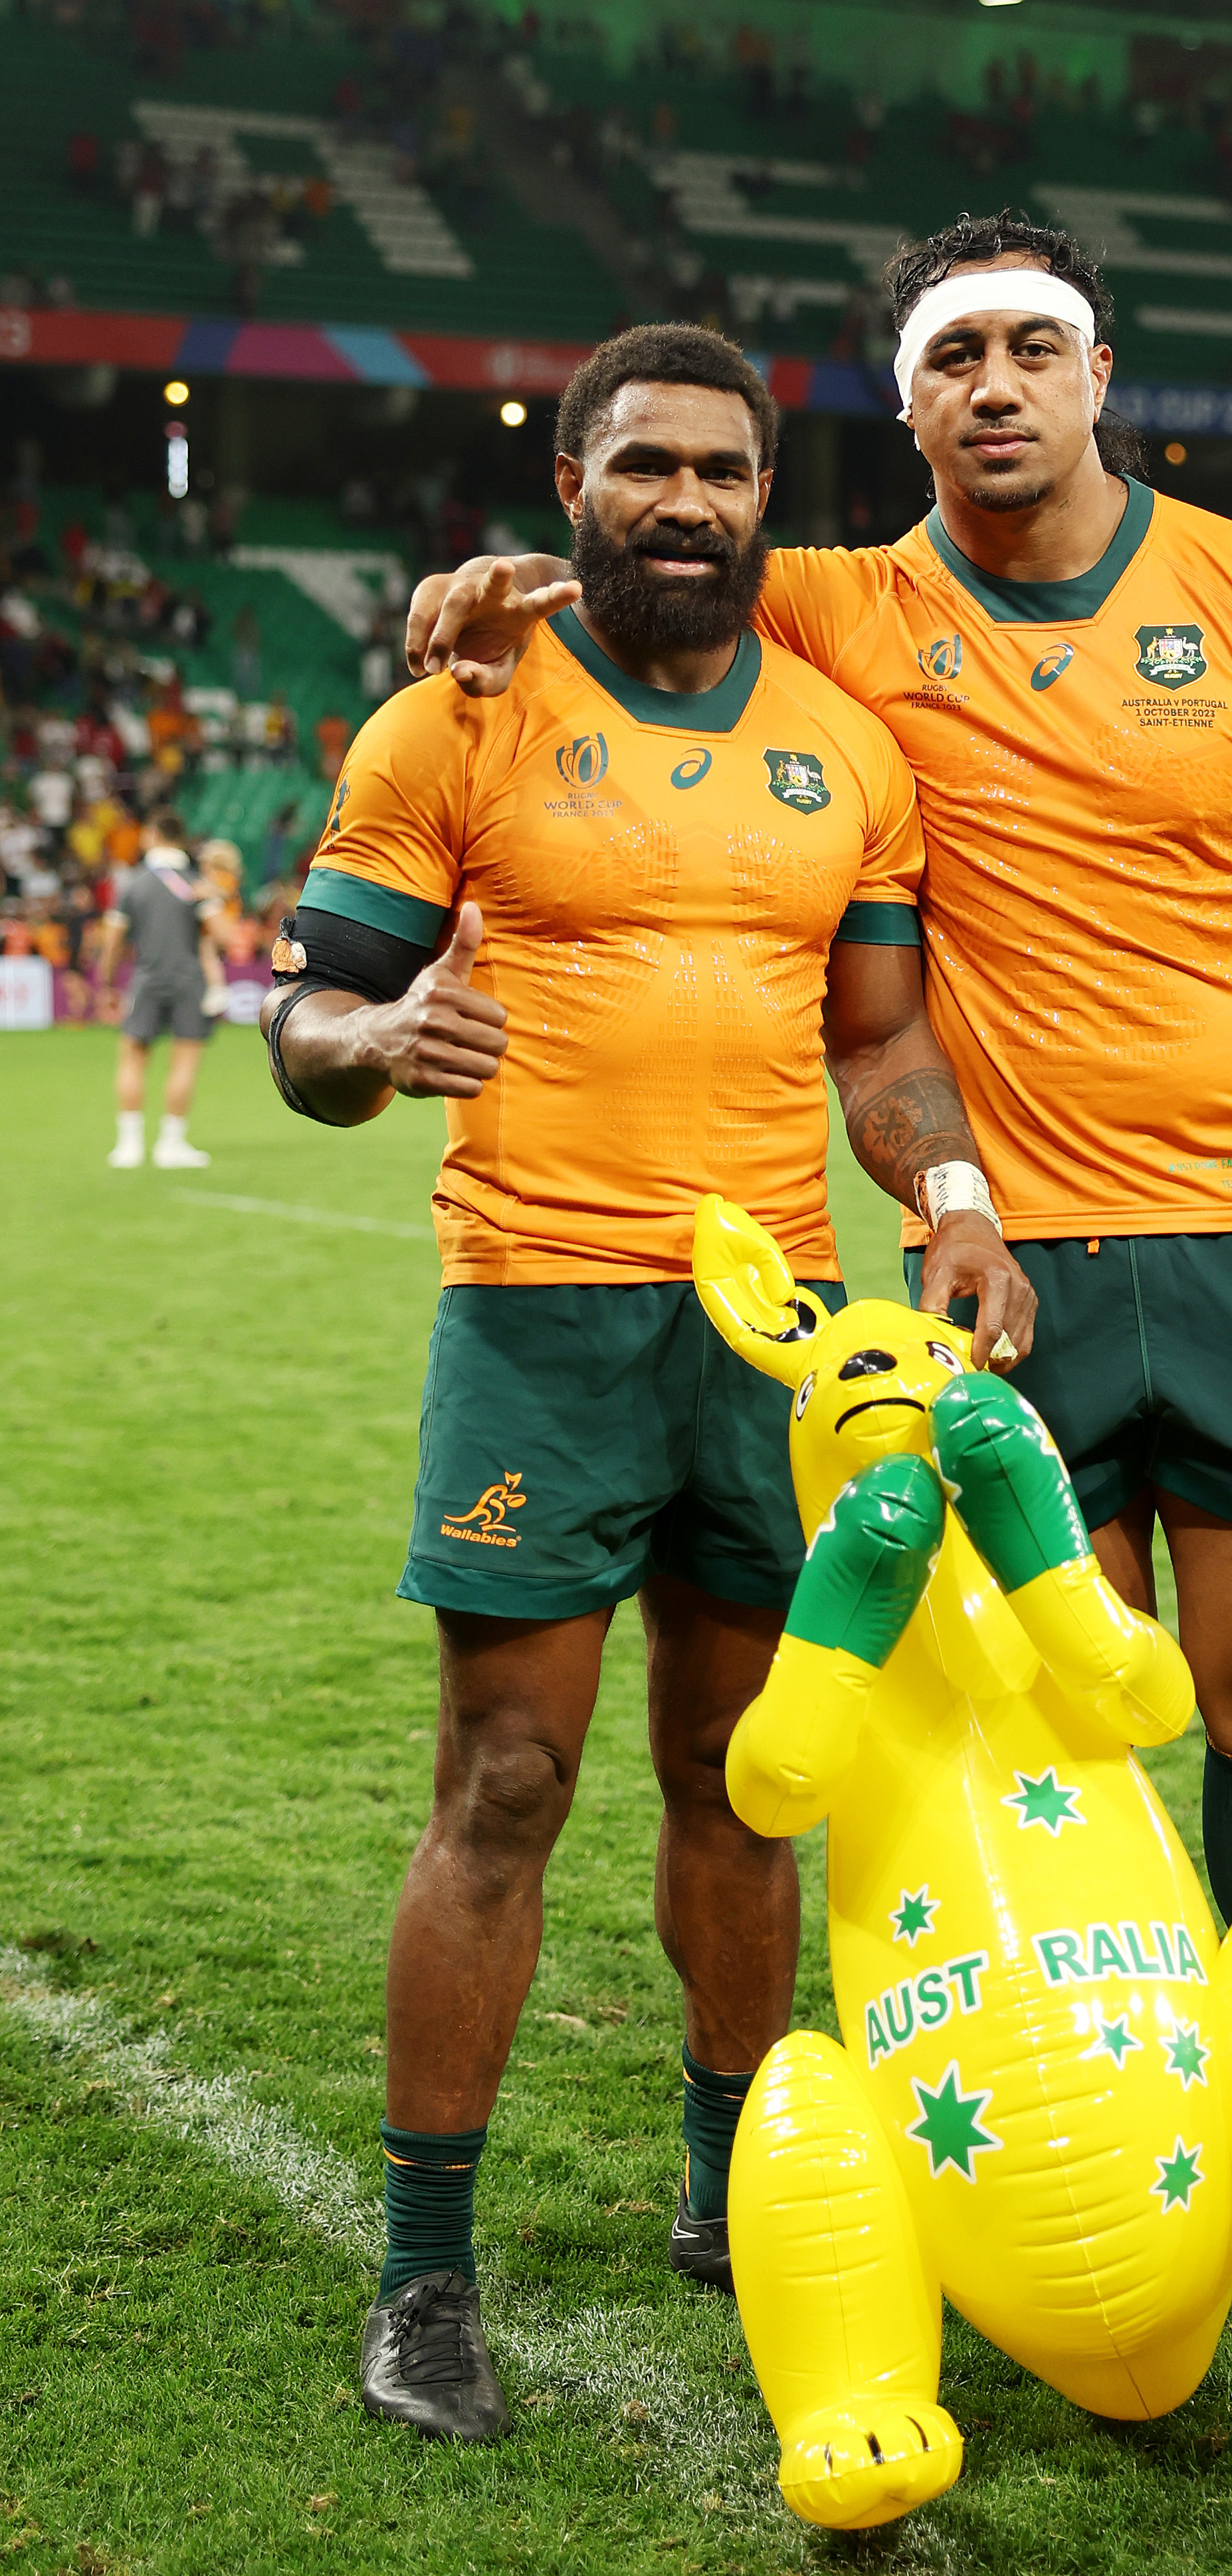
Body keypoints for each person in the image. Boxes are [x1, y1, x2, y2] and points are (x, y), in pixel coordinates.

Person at [407, 210, 1232, 2012]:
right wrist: (494, 577)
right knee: (1050, 1707)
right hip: (1005, 1260)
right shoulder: (836, 605)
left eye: (1028, 350)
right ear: (906, 410)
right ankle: (1115, 2098)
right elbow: (658, 555)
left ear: (1095, 374)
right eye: (951, 361)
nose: (995, 388)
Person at [260, 324, 1033, 2444]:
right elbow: (304, 1027)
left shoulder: (845, 748)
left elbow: (879, 1048)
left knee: (740, 1773)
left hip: (768, 1328)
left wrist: (951, 1194)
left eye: (722, 472)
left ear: (767, 502)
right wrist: (374, 1043)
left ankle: (728, 2189)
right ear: (574, 484)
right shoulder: (455, 714)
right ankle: (426, 2272)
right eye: (645, 467)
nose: (685, 502)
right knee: (506, 1784)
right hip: (537, 1310)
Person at [98, 808, 227, 1167]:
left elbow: (112, 944)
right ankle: (171, 1145)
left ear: (153, 835)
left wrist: (106, 984)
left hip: (147, 980)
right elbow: (226, 936)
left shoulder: (133, 883)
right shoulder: (194, 882)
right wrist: (216, 896)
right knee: (183, 1063)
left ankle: (129, 1146)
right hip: (189, 980)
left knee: (133, 1059)